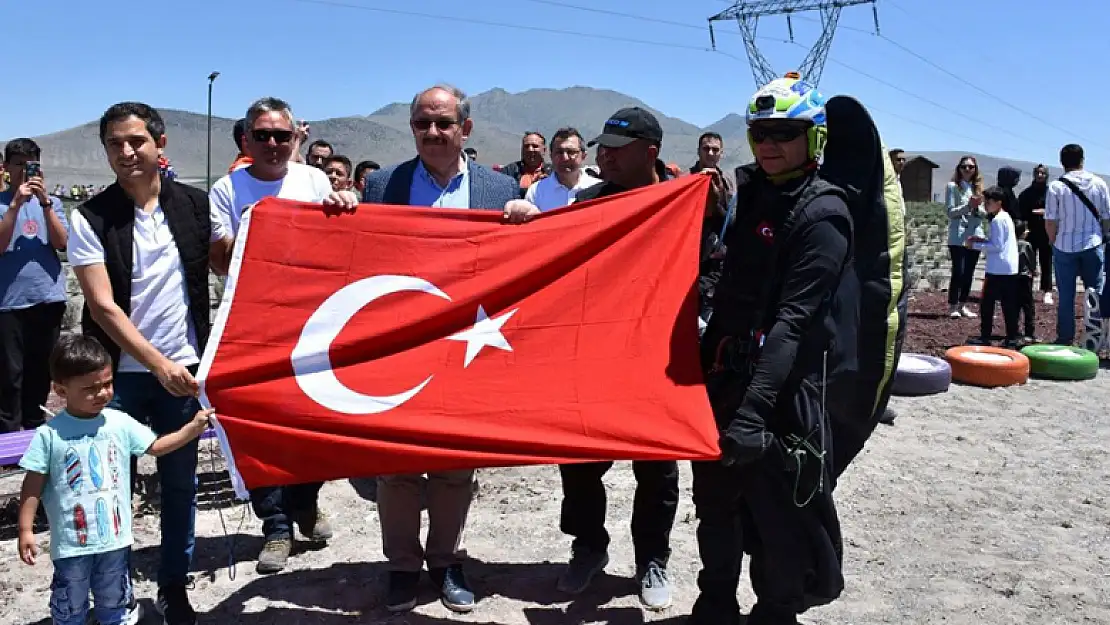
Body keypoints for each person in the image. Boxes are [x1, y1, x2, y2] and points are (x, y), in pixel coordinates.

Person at [690, 75, 853, 625]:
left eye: (785, 133)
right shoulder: (749, 193)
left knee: (779, 519)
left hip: (784, 397)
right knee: (713, 506)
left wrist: (755, 413)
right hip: (723, 379)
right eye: (760, 132)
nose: (768, 144)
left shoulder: (824, 212)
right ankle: (714, 604)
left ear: (814, 139)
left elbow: (793, 321)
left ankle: (776, 613)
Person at [361, 83, 518, 614]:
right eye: (422, 124)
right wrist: (339, 210)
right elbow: (356, 259)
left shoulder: (499, 190)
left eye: (444, 123)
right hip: (401, 343)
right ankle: (402, 566)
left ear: (464, 129)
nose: (433, 133)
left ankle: (446, 560)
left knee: (455, 464)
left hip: (468, 343)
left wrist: (527, 225)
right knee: (397, 466)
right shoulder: (383, 185)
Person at [67, 101, 219, 625]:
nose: (127, 152)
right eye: (115, 144)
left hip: (184, 370)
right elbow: (102, 306)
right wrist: (158, 365)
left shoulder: (195, 207)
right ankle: (114, 590)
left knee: (181, 484)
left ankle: (174, 586)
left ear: (160, 144)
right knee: (110, 490)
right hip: (115, 382)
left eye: (136, 141)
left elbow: (239, 257)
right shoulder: (89, 217)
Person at [525, 107, 680, 612]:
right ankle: (588, 547)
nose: (604, 156)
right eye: (603, 147)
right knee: (581, 463)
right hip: (594, 358)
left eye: (617, 148)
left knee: (656, 468)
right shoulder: (589, 203)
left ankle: (652, 557)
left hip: (657, 359)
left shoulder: (681, 202)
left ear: (650, 153)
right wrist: (529, 223)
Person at [209, 97, 357, 574]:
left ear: (296, 139)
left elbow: (339, 243)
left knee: (314, 420)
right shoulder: (226, 189)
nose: (273, 144)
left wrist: (343, 206)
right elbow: (218, 257)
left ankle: (305, 502)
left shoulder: (313, 181)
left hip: (312, 323)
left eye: (282, 136)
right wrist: (261, 232)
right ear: (246, 139)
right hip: (253, 325)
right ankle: (274, 525)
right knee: (259, 425)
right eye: (262, 135)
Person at [17, 335, 213, 625]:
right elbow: (33, 484)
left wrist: (192, 429)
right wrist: (25, 529)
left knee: (115, 603)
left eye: (107, 384)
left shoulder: (119, 422)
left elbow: (157, 446)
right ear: (60, 389)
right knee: (71, 607)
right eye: (91, 388)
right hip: (71, 546)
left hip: (115, 542)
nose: (102, 393)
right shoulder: (50, 434)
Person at [0, 138, 69, 434]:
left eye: (32, 166)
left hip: (47, 299)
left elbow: (62, 242)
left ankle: (33, 430)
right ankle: (7, 436)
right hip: (8, 302)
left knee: (41, 371)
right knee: (8, 374)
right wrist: (14, 206)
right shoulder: (3, 204)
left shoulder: (52, 203)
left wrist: (44, 204)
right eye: (19, 165)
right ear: (5, 168)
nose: (25, 172)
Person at [1044, 143, 1110, 345]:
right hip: (1093, 244)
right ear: (1082, 159)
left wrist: (1053, 240)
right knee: (1096, 294)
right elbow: (1106, 217)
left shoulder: (1056, 186)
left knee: (1066, 296)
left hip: (1064, 245)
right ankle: (1096, 338)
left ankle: (1065, 337)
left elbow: (1050, 220)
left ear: (1061, 162)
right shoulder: (1099, 183)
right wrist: (1104, 236)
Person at [967, 186, 1021, 347]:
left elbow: (997, 246)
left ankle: (985, 336)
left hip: (997, 269)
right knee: (1008, 304)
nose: (986, 205)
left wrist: (975, 246)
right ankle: (1012, 337)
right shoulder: (1005, 217)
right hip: (1008, 268)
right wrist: (982, 240)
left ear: (998, 202)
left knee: (987, 304)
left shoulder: (998, 220)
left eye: (989, 202)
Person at [945, 156, 986, 319]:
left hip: (975, 234)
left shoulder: (978, 189)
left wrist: (977, 209)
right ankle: (952, 305)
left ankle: (963, 305)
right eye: (964, 167)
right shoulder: (953, 187)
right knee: (959, 272)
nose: (967, 170)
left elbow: (984, 213)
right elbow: (950, 212)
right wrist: (967, 206)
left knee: (969, 272)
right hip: (957, 236)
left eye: (971, 167)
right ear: (959, 169)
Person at [522, 127, 599, 211]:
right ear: (551, 156)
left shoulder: (599, 189)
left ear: (583, 155)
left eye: (571, 152)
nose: (565, 158)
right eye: (559, 152)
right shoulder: (536, 192)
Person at [1018, 164, 1053, 304]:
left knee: (1047, 262)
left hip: (1046, 232)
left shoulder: (1051, 193)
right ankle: (1027, 290)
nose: (1040, 175)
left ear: (1046, 175)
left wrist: (1046, 213)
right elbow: (1020, 212)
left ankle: (1047, 291)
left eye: (1043, 173)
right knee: (1028, 262)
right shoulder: (1026, 193)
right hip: (1030, 233)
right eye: (1038, 173)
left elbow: (1059, 211)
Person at [498, 132, 551, 198]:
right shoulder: (509, 171)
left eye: (535, 146)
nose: (530, 149)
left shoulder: (553, 173)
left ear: (544, 150)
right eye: (526, 146)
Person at [1014, 220, 1036, 341]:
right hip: (1025, 277)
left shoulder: (1011, 243)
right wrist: (1034, 270)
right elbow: (1031, 260)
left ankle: (1014, 330)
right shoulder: (1026, 245)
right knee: (1028, 306)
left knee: (1015, 305)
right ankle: (1029, 332)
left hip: (1013, 277)